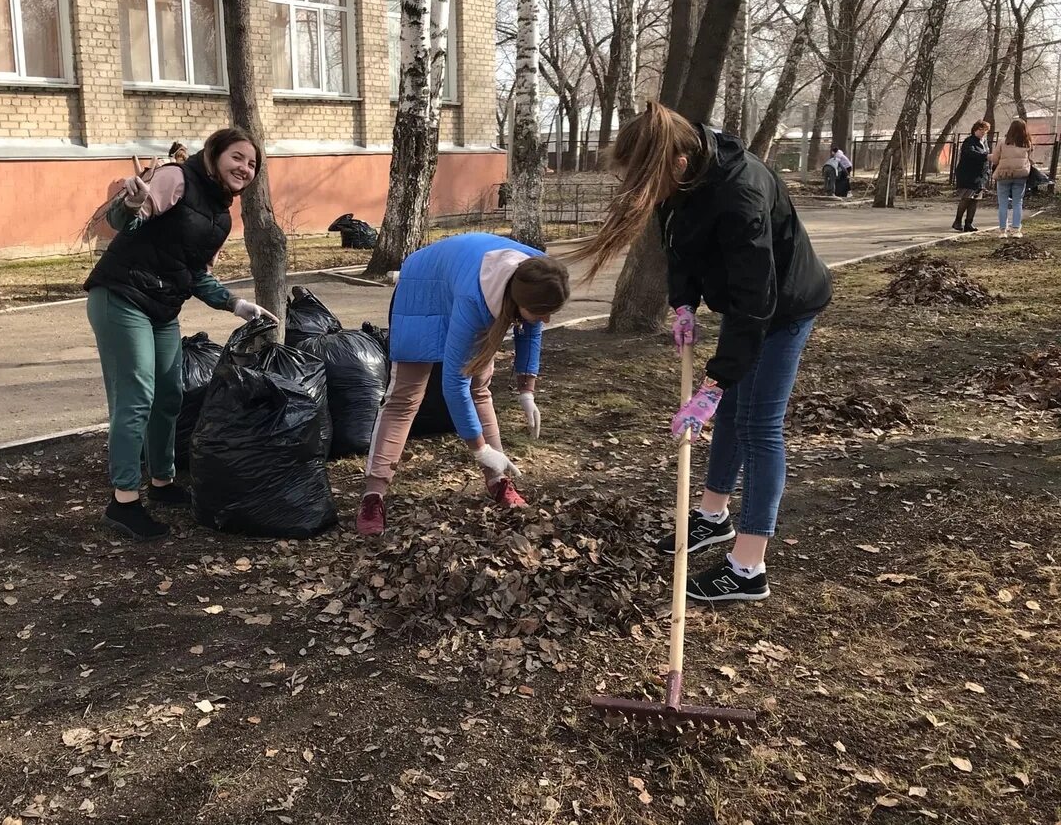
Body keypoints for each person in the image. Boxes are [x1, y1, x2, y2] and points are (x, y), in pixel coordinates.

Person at [577, 102, 832, 603]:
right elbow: (681, 246)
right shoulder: (686, 176)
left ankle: (748, 567)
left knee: (758, 424)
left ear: (675, 162)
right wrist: (683, 303)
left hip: (783, 308)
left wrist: (713, 385)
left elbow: (754, 303)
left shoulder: (740, 195)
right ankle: (712, 516)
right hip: (751, 304)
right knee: (736, 412)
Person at [85, 129, 276, 540]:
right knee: (136, 397)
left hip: (161, 308)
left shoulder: (221, 216)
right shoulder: (177, 178)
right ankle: (123, 502)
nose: (245, 168)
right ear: (215, 154)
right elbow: (126, 222)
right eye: (237, 157)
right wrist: (130, 202)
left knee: (169, 394)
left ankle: (161, 482)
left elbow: (194, 275)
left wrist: (236, 305)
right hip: (120, 296)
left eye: (252, 164)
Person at [356, 233, 571, 535]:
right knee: (406, 396)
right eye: (542, 312)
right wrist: (480, 449)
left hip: (463, 277)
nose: (547, 319)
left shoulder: (538, 270)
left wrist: (527, 389)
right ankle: (373, 493)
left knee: (480, 387)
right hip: (423, 286)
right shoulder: (475, 299)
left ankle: (498, 481)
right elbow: (454, 384)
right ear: (515, 300)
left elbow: (531, 326)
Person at [990, 120, 1033, 237]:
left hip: (1004, 175)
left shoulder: (1002, 142)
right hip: (1020, 175)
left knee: (1003, 203)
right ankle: (1016, 230)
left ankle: (1002, 230)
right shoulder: (1027, 143)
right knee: (1018, 202)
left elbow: (994, 160)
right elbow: (1030, 158)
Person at [952, 121, 991, 232]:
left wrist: (987, 172)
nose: (983, 132)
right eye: (981, 130)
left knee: (975, 200)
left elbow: (986, 158)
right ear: (975, 130)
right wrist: (986, 156)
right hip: (968, 175)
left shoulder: (984, 142)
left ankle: (969, 223)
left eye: (985, 130)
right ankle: (958, 221)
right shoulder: (969, 141)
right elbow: (971, 154)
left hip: (980, 176)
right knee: (967, 198)